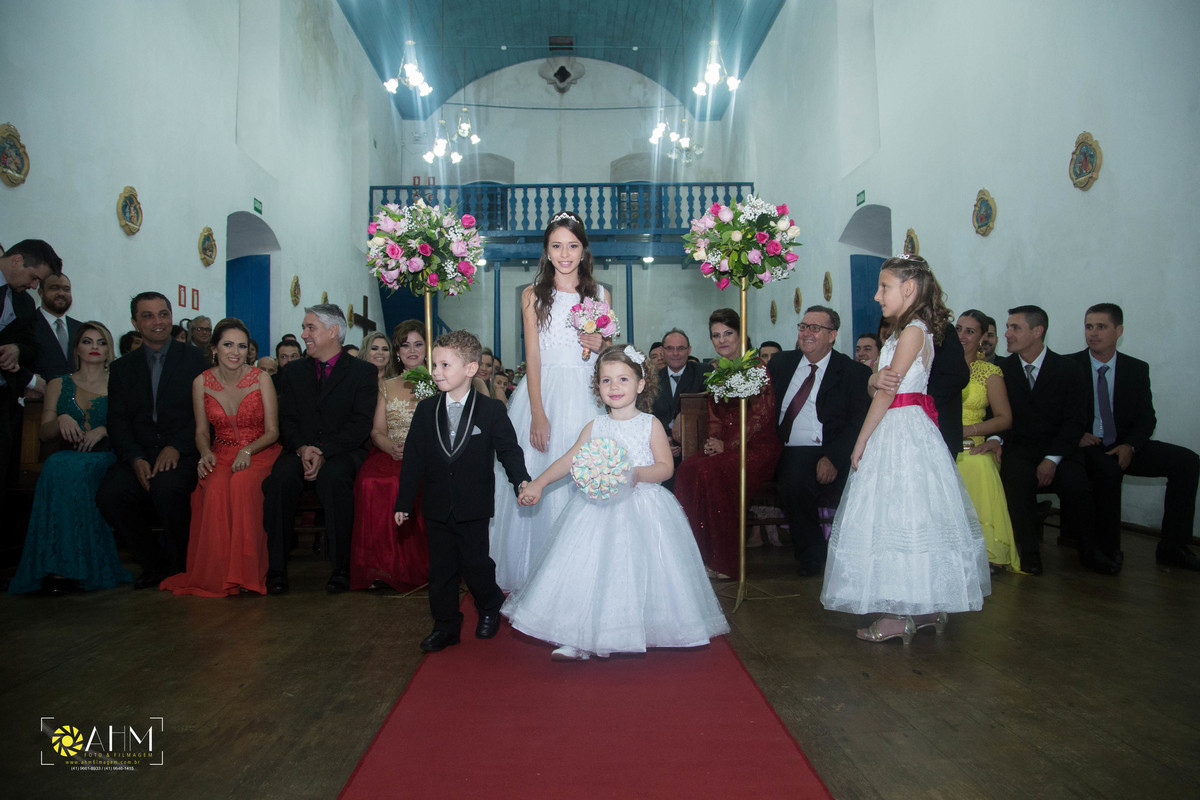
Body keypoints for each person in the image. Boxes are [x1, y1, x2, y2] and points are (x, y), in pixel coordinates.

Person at [505, 345, 729, 661]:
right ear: (597, 386)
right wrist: (539, 483)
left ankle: (641, 629)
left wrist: (634, 474)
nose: (614, 387)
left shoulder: (650, 424)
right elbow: (569, 461)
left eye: (623, 379)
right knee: (586, 570)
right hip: (596, 510)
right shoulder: (595, 427)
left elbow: (665, 468)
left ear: (640, 384)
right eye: (606, 380)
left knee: (636, 571)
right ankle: (576, 636)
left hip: (643, 508)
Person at [821, 254, 990, 643]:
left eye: (885, 287)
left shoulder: (913, 330)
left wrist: (861, 439)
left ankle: (902, 613)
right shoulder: (904, 332)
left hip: (899, 428)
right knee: (911, 516)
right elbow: (877, 384)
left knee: (899, 516)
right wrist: (874, 380)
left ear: (909, 288)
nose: (878, 295)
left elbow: (887, 392)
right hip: (904, 425)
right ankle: (925, 609)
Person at [488, 211, 608, 591]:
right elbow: (534, 357)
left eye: (572, 246)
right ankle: (536, 574)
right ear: (546, 250)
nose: (565, 254)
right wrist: (538, 413)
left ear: (584, 250)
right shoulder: (532, 295)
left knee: (587, 474)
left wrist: (601, 345)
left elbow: (608, 356)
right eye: (557, 246)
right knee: (540, 470)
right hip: (544, 391)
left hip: (587, 393)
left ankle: (581, 572)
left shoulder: (600, 294)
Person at [394, 330, 530, 652]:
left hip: (474, 503)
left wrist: (521, 481)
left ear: (470, 369)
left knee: (475, 563)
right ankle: (445, 626)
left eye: (445, 365)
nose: (436, 372)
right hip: (436, 503)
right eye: (435, 364)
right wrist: (404, 501)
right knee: (441, 569)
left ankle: (489, 604)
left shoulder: (491, 410)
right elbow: (414, 458)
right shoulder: (426, 410)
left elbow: (508, 451)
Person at [1070, 303, 1200, 570]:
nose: (1093, 333)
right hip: (1087, 445)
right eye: (1089, 326)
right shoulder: (1069, 366)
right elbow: (1053, 413)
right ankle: (1107, 549)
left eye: (1101, 327)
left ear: (1119, 331)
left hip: (1123, 443)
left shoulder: (1136, 369)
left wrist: (1130, 445)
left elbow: (1146, 417)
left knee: (1187, 462)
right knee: (1107, 470)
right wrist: (1076, 435)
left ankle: (1173, 546)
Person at [9, 322, 133, 594]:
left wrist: (105, 429)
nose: (94, 347)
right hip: (68, 456)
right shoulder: (58, 383)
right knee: (56, 465)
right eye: (87, 341)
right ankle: (55, 565)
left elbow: (134, 426)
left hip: (106, 456)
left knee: (71, 471)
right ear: (76, 348)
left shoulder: (120, 382)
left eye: (101, 342)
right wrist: (61, 419)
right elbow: (44, 433)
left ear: (109, 349)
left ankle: (73, 567)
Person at [96, 292, 210, 587]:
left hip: (184, 451)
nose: (157, 321)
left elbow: (205, 412)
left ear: (171, 317)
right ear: (135, 322)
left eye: (163, 314)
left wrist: (177, 446)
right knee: (111, 495)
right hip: (140, 453)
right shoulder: (122, 368)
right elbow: (118, 420)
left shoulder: (196, 360)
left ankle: (181, 565)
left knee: (167, 488)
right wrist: (135, 458)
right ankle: (152, 563)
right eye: (147, 316)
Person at [159, 319, 280, 596]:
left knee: (242, 484)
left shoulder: (261, 378)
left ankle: (247, 574)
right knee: (213, 488)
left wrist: (247, 451)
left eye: (242, 346)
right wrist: (204, 454)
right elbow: (201, 432)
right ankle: (219, 575)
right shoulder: (201, 382)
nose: (235, 352)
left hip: (259, 450)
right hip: (220, 453)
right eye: (228, 344)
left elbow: (273, 432)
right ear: (214, 348)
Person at [262, 304, 377, 594]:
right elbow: (286, 419)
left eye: (310, 328)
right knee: (279, 482)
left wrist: (323, 450)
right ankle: (276, 571)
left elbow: (360, 424)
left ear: (333, 331)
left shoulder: (362, 372)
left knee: (334, 479)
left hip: (342, 451)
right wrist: (303, 448)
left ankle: (341, 569)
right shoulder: (294, 372)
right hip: (299, 449)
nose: (304, 334)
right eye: (304, 328)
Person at [675, 308, 782, 579]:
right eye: (715, 335)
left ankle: (725, 561)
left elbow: (760, 416)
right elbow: (714, 416)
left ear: (740, 334)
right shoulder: (717, 372)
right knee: (687, 469)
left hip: (756, 447)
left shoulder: (756, 368)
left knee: (712, 472)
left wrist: (730, 445)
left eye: (727, 333)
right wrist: (714, 441)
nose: (721, 340)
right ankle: (697, 555)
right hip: (726, 446)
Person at [767, 306, 871, 576]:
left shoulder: (852, 372)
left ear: (832, 335)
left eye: (815, 328)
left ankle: (814, 556)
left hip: (825, 448)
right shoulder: (780, 364)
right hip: (777, 446)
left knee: (796, 476)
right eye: (803, 327)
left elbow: (857, 423)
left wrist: (833, 458)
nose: (806, 333)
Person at [997, 305, 1097, 575]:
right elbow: (996, 414)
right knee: (1017, 478)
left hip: (1060, 451)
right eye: (1007, 327)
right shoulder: (1002, 370)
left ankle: (1090, 551)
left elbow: (1075, 421)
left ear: (1037, 331)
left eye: (1015, 327)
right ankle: (1029, 554)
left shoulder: (1069, 369)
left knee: (1077, 485)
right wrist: (996, 439)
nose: (1007, 334)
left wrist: (1052, 459)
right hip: (1019, 449)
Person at [350, 320, 430, 591]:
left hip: (426, 456)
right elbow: (377, 431)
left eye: (418, 344)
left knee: (401, 485)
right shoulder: (386, 386)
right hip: (391, 452)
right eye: (405, 345)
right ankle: (381, 569)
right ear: (397, 351)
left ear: (427, 348)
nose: (412, 351)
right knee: (369, 483)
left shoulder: (437, 383)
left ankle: (413, 566)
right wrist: (391, 448)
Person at [954, 309, 1020, 573]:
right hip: (940, 439)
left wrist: (968, 430)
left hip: (974, 441)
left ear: (982, 338)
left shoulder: (989, 372)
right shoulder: (936, 367)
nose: (962, 336)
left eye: (970, 331)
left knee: (979, 465)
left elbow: (1005, 419)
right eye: (958, 329)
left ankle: (987, 550)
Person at [1, 240, 63, 490]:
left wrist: (16, 349)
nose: (34, 286)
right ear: (17, 260)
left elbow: (30, 346)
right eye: (34, 277)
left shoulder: (24, 303)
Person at [650, 327, 712, 490]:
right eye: (670, 348)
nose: (675, 353)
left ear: (689, 350)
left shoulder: (705, 373)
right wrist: (662, 442)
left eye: (681, 348)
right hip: (661, 450)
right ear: (662, 351)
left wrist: (685, 413)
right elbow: (647, 415)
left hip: (696, 449)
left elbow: (712, 402)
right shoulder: (652, 380)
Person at [30, 272, 82, 391]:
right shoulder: (26, 325)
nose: (61, 293)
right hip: (37, 398)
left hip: (77, 397)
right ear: (41, 292)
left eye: (66, 289)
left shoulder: (81, 329)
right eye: (54, 288)